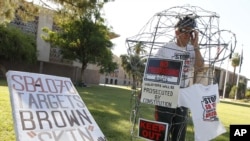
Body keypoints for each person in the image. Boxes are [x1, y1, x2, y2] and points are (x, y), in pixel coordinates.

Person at [154, 15, 204, 141]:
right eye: (184, 31)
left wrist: (196, 45)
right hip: (166, 94)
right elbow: (153, 71)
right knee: (162, 132)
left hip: (183, 97)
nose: (187, 35)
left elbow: (200, 67)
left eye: (190, 32)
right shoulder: (165, 49)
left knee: (179, 134)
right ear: (177, 32)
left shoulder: (193, 50)